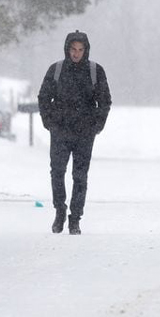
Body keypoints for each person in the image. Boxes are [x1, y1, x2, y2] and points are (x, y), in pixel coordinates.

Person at [38, 30, 112, 234]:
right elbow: (44, 97)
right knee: (57, 172)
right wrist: (50, 122)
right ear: (67, 49)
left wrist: (97, 125)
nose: (76, 53)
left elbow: (104, 101)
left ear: (86, 50)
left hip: (84, 133)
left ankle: (75, 218)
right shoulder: (57, 70)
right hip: (60, 131)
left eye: (80, 50)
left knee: (80, 176)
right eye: (73, 49)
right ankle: (59, 210)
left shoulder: (95, 71)